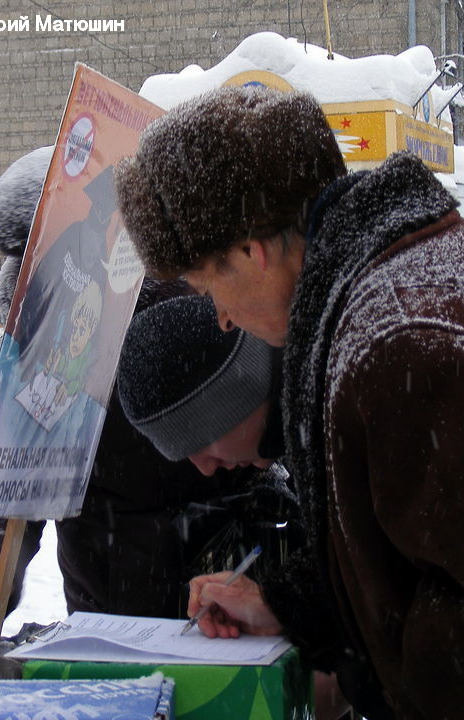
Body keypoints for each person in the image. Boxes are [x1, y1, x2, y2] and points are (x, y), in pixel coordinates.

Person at [114, 86, 464, 719]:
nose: (219, 317)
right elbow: (430, 558)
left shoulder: (402, 340)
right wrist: (292, 606)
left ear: (249, 251)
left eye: (205, 285)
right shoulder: (412, 291)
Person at [0, 146, 298, 630]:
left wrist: (270, 589)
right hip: (104, 602)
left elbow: (264, 439)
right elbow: (13, 478)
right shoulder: (25, 357)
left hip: (222, 587)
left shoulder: (190, 319)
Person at [117, 293, 346, 720]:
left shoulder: (338, 418)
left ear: (232, 403)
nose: (205, 469)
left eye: (199, 444)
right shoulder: (304, 417)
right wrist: (281, 606)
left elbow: (399, 586)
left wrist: (345, 670)